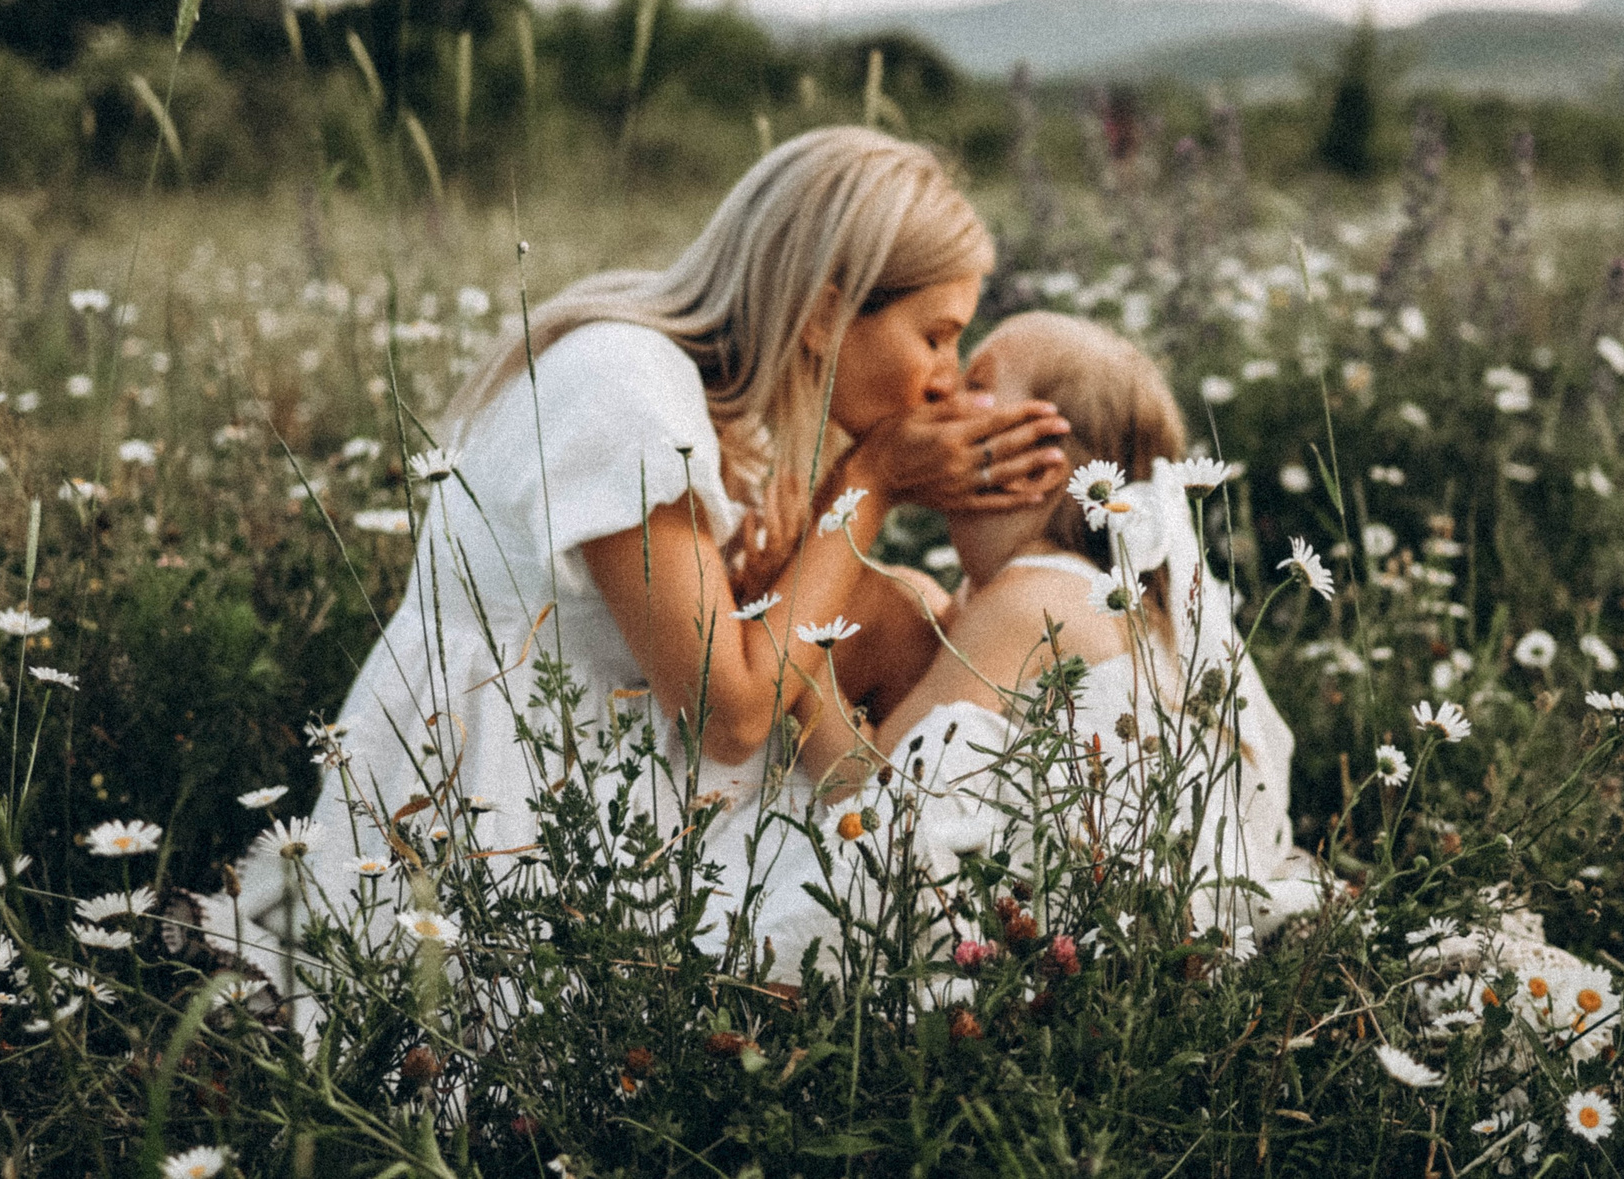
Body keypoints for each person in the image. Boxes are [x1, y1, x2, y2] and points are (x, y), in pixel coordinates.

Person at [207, 128, 1070, 998]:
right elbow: (730, 712)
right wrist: (871, 484)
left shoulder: (685, 382)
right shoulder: (626, 390)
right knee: (870, 899)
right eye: (938, 335)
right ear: (823, 313)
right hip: (504, 799)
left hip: (594, 742)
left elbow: (757, 622)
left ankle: (996, 874)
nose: (945, 379)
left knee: (903, 608)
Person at [761, 311, 1321, 968]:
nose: (941, 391)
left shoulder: (1034, 602)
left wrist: (791, 646)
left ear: (1040, 458)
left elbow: (870, 795)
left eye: (978, 383)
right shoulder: (1082, 592)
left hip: (1097, 941)